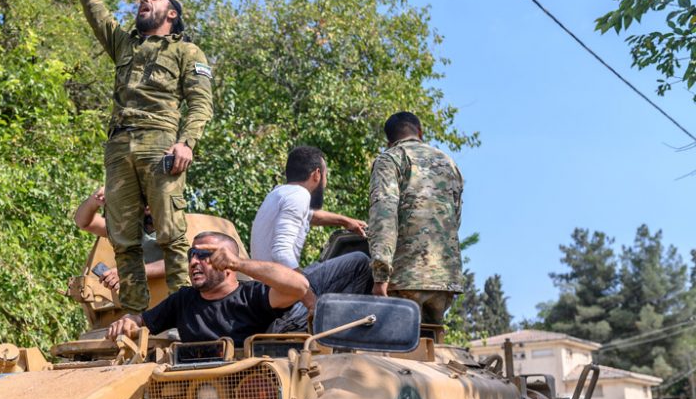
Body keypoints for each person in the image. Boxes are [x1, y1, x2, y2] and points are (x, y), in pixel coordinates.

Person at [67, 0, 213, 315]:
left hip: (160, 144)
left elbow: (201, 104)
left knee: (171, 234)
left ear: (172, 14)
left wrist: (187, 143)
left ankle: (186, 315)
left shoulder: (187, 52)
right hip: (119, 145)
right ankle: (132, 318)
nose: (144, 0)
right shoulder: (124, 43)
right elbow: (95, 11)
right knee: (123, 239)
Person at [106, 232, 309, 348]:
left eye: (203, 254)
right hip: (194, 396)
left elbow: (299, 286)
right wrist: (130, 320)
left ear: (228, 260)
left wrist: (240, 264)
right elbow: (143, 321)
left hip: (249, 394)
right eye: (191, 255)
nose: (193, 261)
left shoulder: (252, 296)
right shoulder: (183, 300)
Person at [250, 145, 372, 331]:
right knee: (359, 263)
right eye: (326, 175)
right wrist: (310, 300)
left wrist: (345, 221)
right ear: (317, 174)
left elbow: (309, 216)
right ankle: (342, 332)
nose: (325, 181)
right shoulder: (299, 196)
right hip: (284, 299)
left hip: (267, 292)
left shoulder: (280, 193)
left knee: (315, 268)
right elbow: (281, 252)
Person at [367, 112, 463, 325]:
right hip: (444, 280)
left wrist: (380, 275)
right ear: (420, 133)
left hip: (405, 279)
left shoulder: (391, 158)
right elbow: (455, 217)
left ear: (389, 141)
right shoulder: (447, 162)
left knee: (398, 351)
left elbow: (384, 216)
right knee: (431, 351)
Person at [73, 186, 166, 291]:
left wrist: (128, 272)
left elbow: (178, 261)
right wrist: (94, 199)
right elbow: (83, 222)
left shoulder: (178, 228)